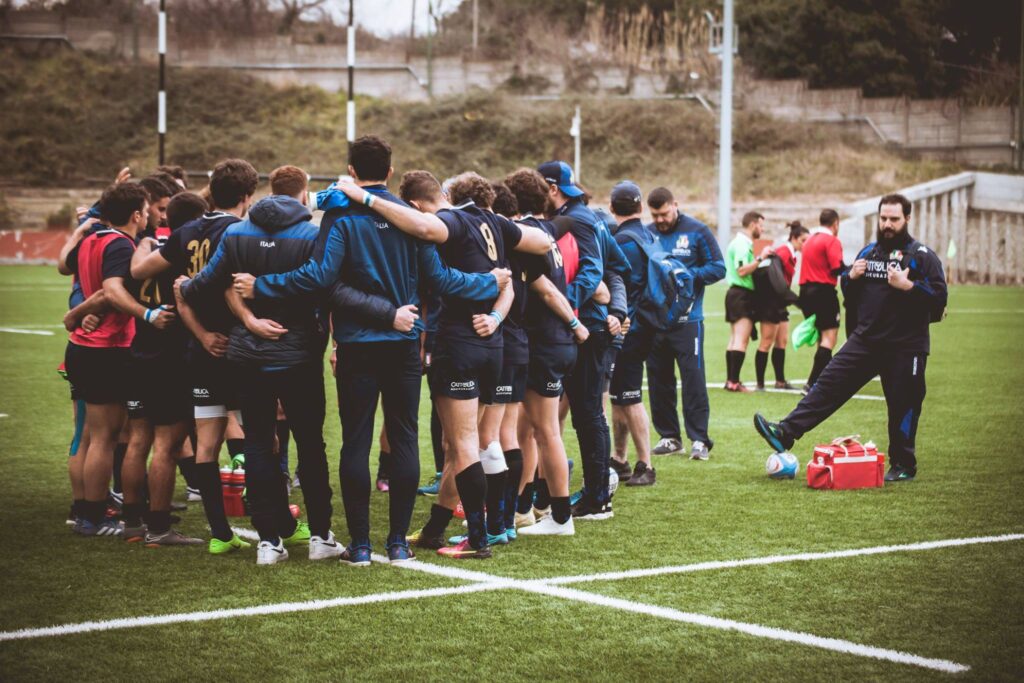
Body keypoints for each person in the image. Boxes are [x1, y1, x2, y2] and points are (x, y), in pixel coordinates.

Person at [234, 141, 507, 564]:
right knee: (403, 439)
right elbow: (441, 279)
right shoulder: (408, 217)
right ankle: (397, 543)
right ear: (391, 170)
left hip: (359, 347)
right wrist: (489, 284)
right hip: (401, 346)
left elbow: (322, 279)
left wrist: (263, 287)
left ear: (350, 169)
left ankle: (361, 545)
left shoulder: (341, 214)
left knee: (357, 443)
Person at [329, 167, 550, 559]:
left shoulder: (449, 220)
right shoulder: (494, 221)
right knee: (469, 443)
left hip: (459, 343)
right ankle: (440, 527)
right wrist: (497, 315)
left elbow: (426, 229)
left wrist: (364, 197)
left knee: (465, 444)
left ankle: (480, 538)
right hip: (493, 346)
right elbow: (533, 251)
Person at [177, 164, 339, 565]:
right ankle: (320, 537)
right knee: (311, 446)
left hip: (248, 357)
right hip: (298, 355)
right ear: (304, 195)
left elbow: (202, 288)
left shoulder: (235, 233)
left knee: (258, 446)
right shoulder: (311, 234)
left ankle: (269, 542)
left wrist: (187, 288)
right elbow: (323, 285)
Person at [755, 193, 947, 482]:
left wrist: (908, 286)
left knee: (903, 405)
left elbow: (939, 299)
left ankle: (903, 463)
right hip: (866, 342)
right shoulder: (868, 253)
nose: (887, 224)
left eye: (894, 219)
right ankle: (785, 432)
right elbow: (849, 294)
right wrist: (850, 279)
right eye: (883, 218)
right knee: (825, 386)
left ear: (907, 219)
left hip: (905, 348)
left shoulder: (922, 256)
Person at [132, 159, 259, 554]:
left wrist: (201, 335)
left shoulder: (188, 230)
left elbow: (163, 281)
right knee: (261, 436)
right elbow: (237, 289)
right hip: (239, 347)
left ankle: (220, 533)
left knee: (204, 443)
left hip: (199, 350)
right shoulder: (242, 232)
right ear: (247, 197)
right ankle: (272, 524)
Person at [64, 182, 171, 537]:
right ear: (136, 214)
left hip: (84, 344)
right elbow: (110, 290)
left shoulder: (89, 240)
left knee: (97, 435)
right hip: (107, 348)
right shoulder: (119, 244)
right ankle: (95, 517)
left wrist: (82, 313)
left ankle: (90, 511)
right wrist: (147, 314)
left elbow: (88, 288)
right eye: (146, 211)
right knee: (105, 438)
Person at [538, 160, 628, 520]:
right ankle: (583, 492)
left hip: (586, 330)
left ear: (552, 189)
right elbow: (617, 267)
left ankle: (597, 499)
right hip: (588, 325)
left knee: (588, 413)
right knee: (578, 413)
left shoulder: (579, 219)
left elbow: (598, 269)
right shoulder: (586, 216)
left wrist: (565, 305)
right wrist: (618, 310)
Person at [643, 187, 725, 460]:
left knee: (693, 380)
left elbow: (718, 267)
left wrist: (686, 274)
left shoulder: (697, 231)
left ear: (675, 205)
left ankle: (699, 439)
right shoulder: (647, 233)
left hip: (689, 320)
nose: (660, 220)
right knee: (658, 380)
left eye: (664, 213)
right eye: (655, 215)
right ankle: (669, 436)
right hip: (655, 322)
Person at [754, 221, 809, 390]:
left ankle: (780, 381)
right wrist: (797, 301)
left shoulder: (791, 253)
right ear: (794, 238)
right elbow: (774, 281)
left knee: (782, 341)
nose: (806, 244)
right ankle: (760, 384)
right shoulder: (783, 252)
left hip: (780, 302)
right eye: (803, 240)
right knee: (766, 342)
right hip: (771, 303)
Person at [724, 211, 770, 392]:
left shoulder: (740, 242)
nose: (762, 229)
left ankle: (730, 381)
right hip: (742, 295)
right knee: (741, 340)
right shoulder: (742, 244)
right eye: (761, 225)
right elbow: (742, 270)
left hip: (735, 294)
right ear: (752, 224)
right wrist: (761, 258)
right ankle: (734, 382)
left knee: (735, 339)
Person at [799, 209, 844, 391]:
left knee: (821, 337)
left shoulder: (809, 240)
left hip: (805, 292)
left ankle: (824, 380)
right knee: (829, 338)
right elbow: (836, 268)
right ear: (835, 223)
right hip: (823, 291)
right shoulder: (832, 240)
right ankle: (812, 383)